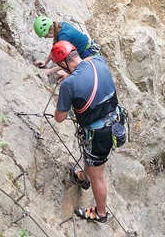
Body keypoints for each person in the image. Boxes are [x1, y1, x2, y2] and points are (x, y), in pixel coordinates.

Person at [51, 40, 125, 223]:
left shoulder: (69, 85)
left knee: (98, 175)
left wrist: (67, 87)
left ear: (62, 64)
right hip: (116, 122)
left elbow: (59, 118)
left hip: (99, 134)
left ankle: (101, 213)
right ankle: (84, 177)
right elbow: (90, 75)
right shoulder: (98, 61)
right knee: (91, 159)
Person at [33, 15, 101, 81]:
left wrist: (50, 71)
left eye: (45, 36)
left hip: (90, 57)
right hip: (90, 50)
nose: (45, 38)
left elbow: (66, 62)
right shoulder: (60, 26)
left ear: (49, 32)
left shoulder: (64, 37)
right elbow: (55, 48)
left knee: (65, 74)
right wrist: (45, 62)